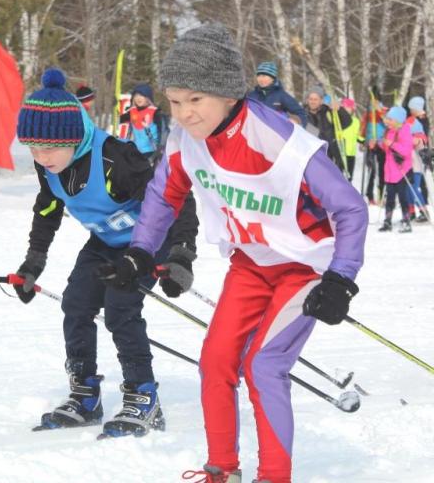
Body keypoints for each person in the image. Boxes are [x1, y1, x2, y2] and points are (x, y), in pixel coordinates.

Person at [98, 24, 367, 483]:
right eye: (175, 101)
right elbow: (165, 196)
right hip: (250, 265)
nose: (183, 114)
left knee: (263, 365)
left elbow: (350, 207)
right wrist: (140, 253)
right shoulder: (185, 139)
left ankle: (275, 476)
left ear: (226, 93)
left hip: (304, 268)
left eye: (195, 100)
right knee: (216, 361)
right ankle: (222, 469)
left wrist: (341, 278)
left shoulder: (275, 136)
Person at [11, 67, 199, 438]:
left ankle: (144, 398)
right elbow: (47, 208)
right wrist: (33, 262)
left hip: (147, 243)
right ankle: (85, 396)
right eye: (33, 148)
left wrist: (180, 255)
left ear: (73, 137)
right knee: (76, 305)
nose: (41, 156)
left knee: (119, 310)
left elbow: (174, 198)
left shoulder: (115, 157)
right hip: (105, 242)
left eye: (49, 148)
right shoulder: (47, 164)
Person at [379, 106, 414, 233]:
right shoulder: (390, 131)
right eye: (387, 119)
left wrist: (392, 144)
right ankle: (387, 221)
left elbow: (406, 151)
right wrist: (381, 143)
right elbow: (386, 149)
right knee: (390, 198)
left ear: (397, 120)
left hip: (401, 171)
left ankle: (406, 221)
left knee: (403, 197)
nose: (387, 121)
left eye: (390, 119)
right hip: (390, 171)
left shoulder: (405, 130)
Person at [304, 85, 352, 175]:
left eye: (315, 99)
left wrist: (339, 109)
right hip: (311, 157)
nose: (312, 102)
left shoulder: (328, 112)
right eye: (310, 99)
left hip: (330, 156)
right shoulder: (302, 114)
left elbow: (347, 122)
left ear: (321, 100)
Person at [246, 61, 307, 126]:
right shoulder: (251, 96)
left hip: (275, 132)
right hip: (255, 132)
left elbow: (301, 113)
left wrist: (296, 120)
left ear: (272, 78)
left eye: (264, 76)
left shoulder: (281, 95)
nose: (261, 79)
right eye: (259, 75)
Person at [119, 83, 167, 160]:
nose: (138, 98)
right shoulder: (131, 112)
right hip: (136, 152)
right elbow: (120, 122)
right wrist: (116, 106)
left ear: (148, 98)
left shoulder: (156, 113)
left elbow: (164, 132)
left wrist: (160, 151)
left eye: (142, 95)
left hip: (152, 153)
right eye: (136, 95)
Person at [359, 96, 387, 205]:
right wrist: (363, 142)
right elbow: (362, 130)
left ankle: (381, 194)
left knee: (382, 172)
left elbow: (388, 125)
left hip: (382, 147)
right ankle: (369, 194)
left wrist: (379, 111)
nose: (374, 106)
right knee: (372, 171)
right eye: (372, 104)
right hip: (370, 146)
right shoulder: (367, 115)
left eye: (376, 103)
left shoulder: (384, 114)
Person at [336, 98, 361, 182]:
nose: (346, 111)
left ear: (352, 109)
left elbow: (359, 136)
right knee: (338, 176)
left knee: (349, 178)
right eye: (344, 108)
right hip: (340, 153)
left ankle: (347, 193)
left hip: (351, 154)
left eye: (348, 108)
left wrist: (365, 139)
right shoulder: (337, 120)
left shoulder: (356, 121)